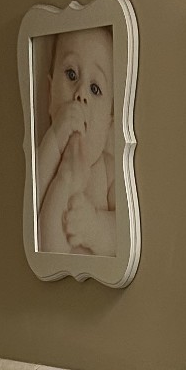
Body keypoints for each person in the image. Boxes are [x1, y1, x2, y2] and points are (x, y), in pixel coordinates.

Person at [36, 27, 117, 255]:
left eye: (95, 88)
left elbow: (123, 233)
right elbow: (31, 209)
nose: (80, 93)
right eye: (71, 75)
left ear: (108, 124)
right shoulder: (46, 158)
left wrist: (95, 228)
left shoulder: (108, 172)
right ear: (50, 94)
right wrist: (54, 139)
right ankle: (67, 179)